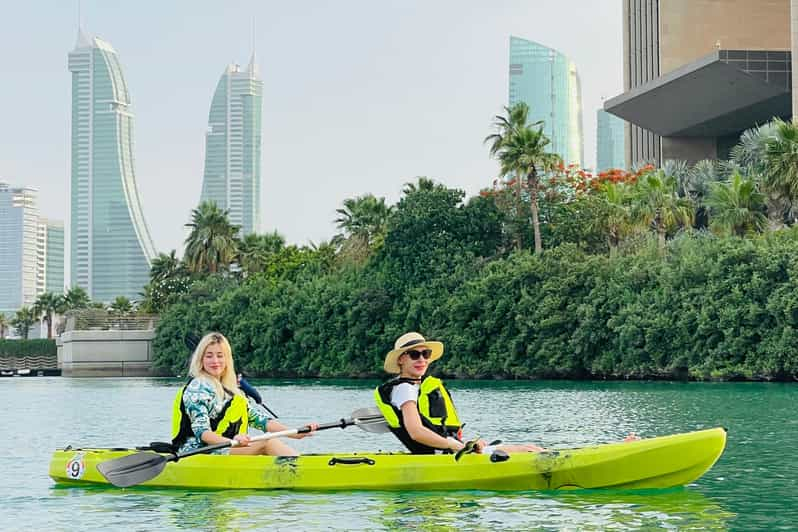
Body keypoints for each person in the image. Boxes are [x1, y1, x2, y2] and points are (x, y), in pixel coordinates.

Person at [374, 332, 544, 455]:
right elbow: (416, 432)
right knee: (527, 450)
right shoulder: (405, 389)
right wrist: (455, 445)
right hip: (442, 456)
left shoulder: (415, 387)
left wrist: (462, 444)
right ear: (401, 359)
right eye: (414, 354)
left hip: (448, 451)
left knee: (531, 448)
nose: (422, 360)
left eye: (425, 354)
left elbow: (432, 429)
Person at [171, 332, 317, 456]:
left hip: (225, 448)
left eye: (220, 356)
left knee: (267, 440)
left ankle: (298, 464)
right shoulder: (198, 388)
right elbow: (203, 433)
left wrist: (294, 433)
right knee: (266, 441)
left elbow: (261, 420)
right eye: (209, 356)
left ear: (227, 359)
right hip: (199, 452)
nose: (215, 361)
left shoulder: (232, 390)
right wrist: (233, 443)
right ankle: (304, 470)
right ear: (201, 359)